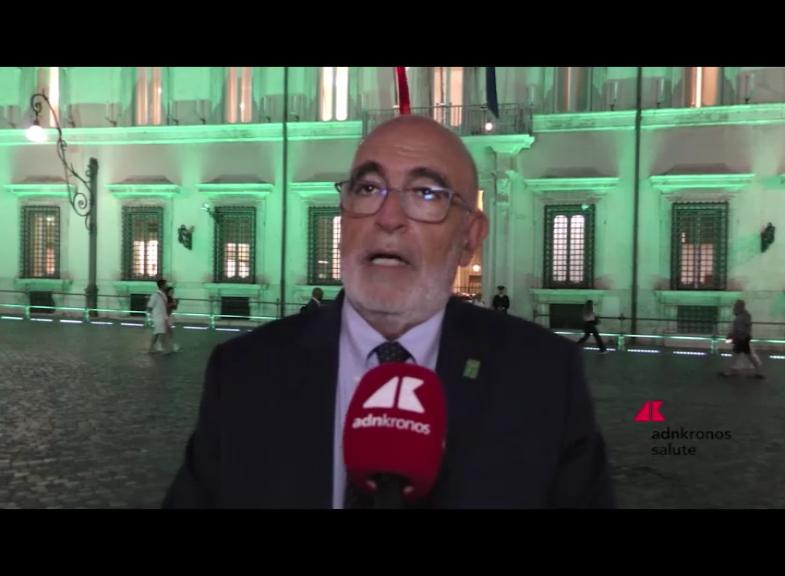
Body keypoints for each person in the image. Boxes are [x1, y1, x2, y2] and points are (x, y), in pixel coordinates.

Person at [163, 115, 613, 509]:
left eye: (426, 193)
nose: (388, 216)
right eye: (368, 189)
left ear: (470, 238)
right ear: (344, 219)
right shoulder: (243, 373)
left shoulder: (544, 378)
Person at [721, 299, 765, 379]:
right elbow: (740, 326)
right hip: (741, 338)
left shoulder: (745, 315)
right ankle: (759, 372)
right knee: (746, 355)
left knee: (738, 354)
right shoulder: (741, 314)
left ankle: (730, 371)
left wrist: (741, 336)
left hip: (742, 338)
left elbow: (746, 327)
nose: (735, 306)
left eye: (736, 305)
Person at [146, 279, 169, 354]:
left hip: (162, 316)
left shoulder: (163, 294)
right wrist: (149, 318)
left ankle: (151, 348)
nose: (167, 285)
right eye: (166, 284)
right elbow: (150, 306)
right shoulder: (155, 295)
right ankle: (161, 348)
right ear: (162, 285)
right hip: (158, 317)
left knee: (157, 333)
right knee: (161, 333)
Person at [165, 286, 180, 353]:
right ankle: (170, 347)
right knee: (167, 332)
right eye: (171, 291)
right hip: (165, 316)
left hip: (169, 316)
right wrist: (173, 303)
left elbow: (175, 308)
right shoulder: (165, 298)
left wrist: (177, 303)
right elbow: (166, 306)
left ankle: (170, 346)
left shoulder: (172, 298)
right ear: (168, 292)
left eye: (173, 292)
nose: (172, 293)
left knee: (169, 332)